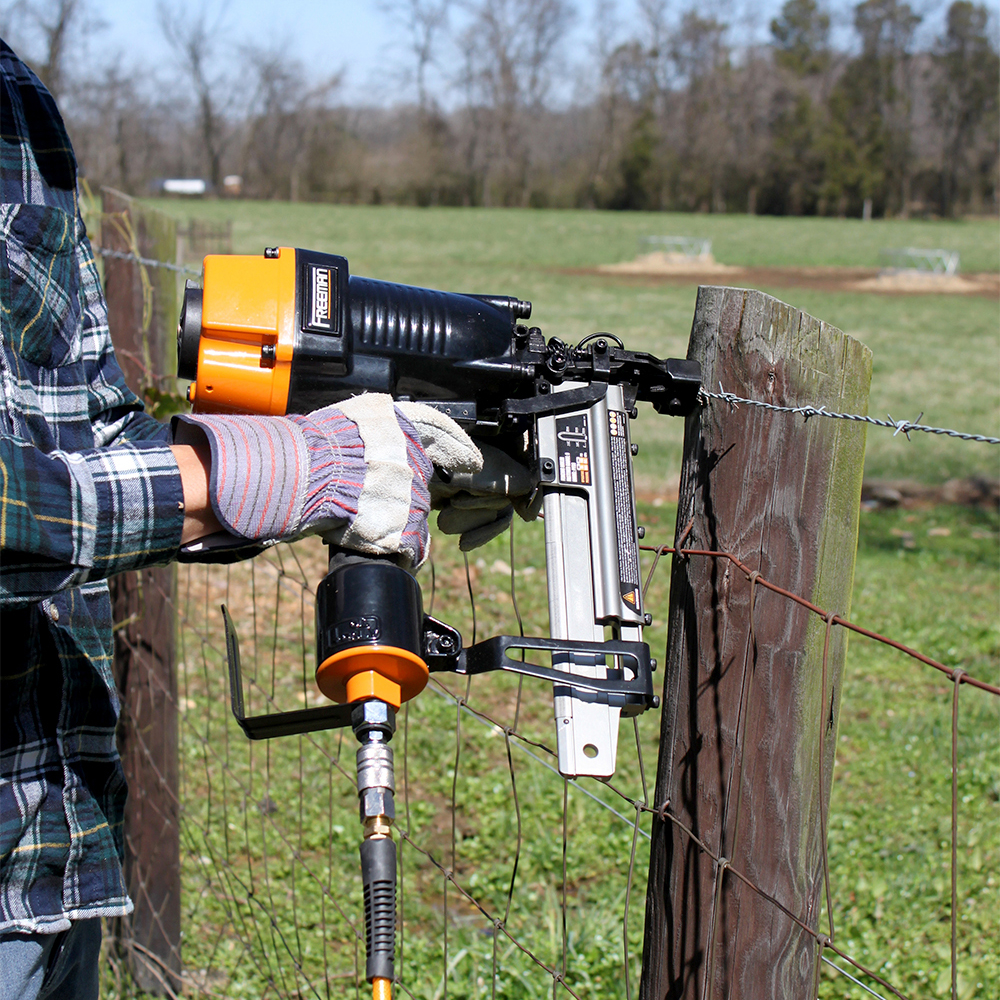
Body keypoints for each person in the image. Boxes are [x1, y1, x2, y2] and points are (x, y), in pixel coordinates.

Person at [0, 40, 527, 999]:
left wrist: (358, 446)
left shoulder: (17, 103)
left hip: (56, 854)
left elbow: (86, 445)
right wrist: (279, 468)